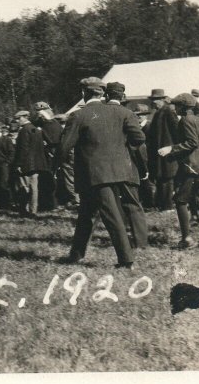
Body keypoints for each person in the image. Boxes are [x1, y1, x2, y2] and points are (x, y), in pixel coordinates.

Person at [59, 77, 145, 269]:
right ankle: (76, 254)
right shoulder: (120, 112)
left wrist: (57, 165)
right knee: (86, 214)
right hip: (119, 172)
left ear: (84, 93)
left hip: (93, 174)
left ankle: (126, 260)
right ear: (101, 93)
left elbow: (65, 147)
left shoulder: (78, 115)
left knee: (111, 216)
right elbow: (138, 138)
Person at [158, 93, 199, 249]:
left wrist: (171, 149)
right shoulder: (197, 120)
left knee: (180, 200)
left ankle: (186, 239)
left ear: (183, 107)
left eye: (176, 106)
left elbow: (191, 143)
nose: (175, 109)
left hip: (191, 167)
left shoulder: (186, 120)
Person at [105, 82, 149, 248]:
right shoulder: (128, 114)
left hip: (105, 168)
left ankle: (120, 241)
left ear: (106, 95)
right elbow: (139, 140)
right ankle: (140, 242)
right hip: (126, 167)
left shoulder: (97, 113)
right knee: (133, 205)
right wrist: (143, 167)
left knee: (112, 206)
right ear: (122, 96)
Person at [146, 88, 178, 211]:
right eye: (153, 100)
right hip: (160, 151)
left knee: (167, 177)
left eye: (156, 99)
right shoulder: (159, 113)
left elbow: (176, 131)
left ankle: (167, 205)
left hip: (167, 151)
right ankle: (162, 204)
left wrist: (172, 148)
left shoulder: (168, 112)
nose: (153, 102)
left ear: (162, 100)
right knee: (161, 177)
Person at [12, 110, 48, 217]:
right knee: (34, 188)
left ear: (24, 118)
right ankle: (33, 210)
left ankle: (24, 210)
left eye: (18, 119)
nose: (17, 121)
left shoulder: (24, 131)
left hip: (26, 163)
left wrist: (19, 164)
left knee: (24, 187)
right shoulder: (35, 129)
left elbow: (23, 149)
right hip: (36, 163)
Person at [33, 101, 62, 211]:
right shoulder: (46, 123)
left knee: (49, 179)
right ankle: (48, 203)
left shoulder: (50, 124)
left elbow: (53, 140)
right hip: (47, 155)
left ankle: (50, 204)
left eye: (40, 112)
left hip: (50, 155)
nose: (39, 115)